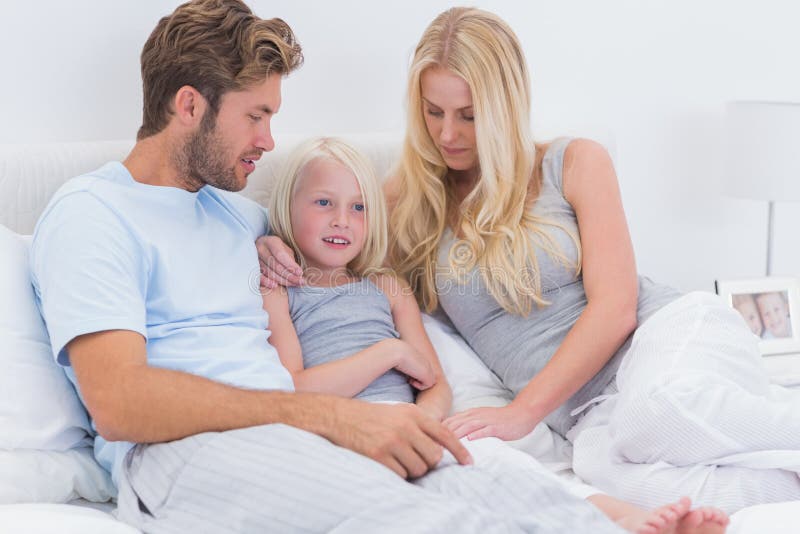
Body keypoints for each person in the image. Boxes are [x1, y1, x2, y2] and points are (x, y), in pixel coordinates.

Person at [29, 1, 635, 532]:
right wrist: (325, 415)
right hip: (184, 449)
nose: (269, 141)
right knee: (425, 520)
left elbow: (339, 247)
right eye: (256, 115)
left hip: (297, 431)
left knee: (511, 494)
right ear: (189, 105)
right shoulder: (94, 212)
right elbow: (119, 401)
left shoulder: (242, 219)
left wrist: (271, 243)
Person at [257, 6, 800, 517]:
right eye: (434, 112)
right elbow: (325, 226)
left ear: (505, 105)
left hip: (664, 341)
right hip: (584, 416)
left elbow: (616, 309)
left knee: (651, 413)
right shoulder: (404, 201)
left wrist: (522, 414)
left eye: (469, 115)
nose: (448, 134)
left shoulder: (574, 161)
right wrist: (267, 241)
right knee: (625, 479)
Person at [261, 136, 731, 533]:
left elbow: (434, 381)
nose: (343, 219)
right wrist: (386, 353)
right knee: (472, 491)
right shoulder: (282, 291)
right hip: (343, 425)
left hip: (414, 423)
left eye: (359, 207)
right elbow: (293, 389)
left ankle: (630, 520)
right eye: (324, 203)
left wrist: (428, 421)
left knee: (511, 469)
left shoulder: (388, 287)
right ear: (287, 207)